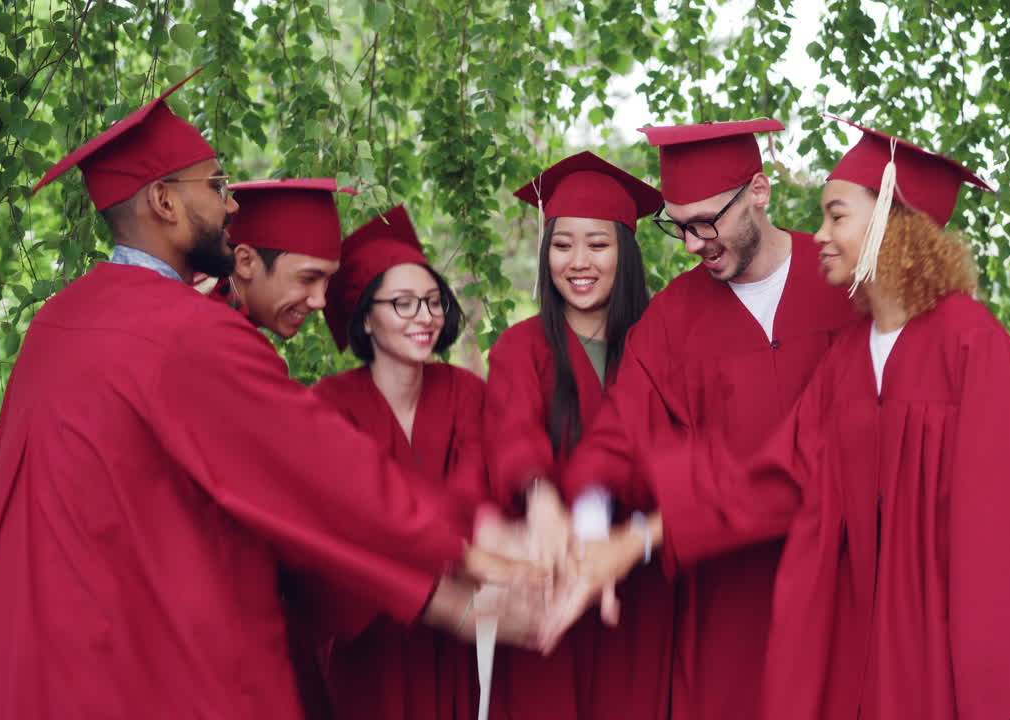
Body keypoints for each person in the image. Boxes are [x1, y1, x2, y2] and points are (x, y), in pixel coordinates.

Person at [0, 68, 532, 720]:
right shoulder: (183, 333)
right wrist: (468, 551)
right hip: (117, 663)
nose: (230, 205)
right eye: (216, 186)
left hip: (27, 662)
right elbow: (324, 470)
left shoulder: (59, 320)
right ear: (163, 202)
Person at [572, 117, 1010, 719]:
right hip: (775, 611)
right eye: (677, 227)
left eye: (837, 216)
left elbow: (1006, 531)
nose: (692, 242)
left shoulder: (950, 335)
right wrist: (627, 535)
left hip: (914, 623)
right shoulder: (844, 356)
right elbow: (781, 473)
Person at [552, 120, 857, 720]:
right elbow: (615, 439)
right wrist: (590, 538)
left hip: (840, 582)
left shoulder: (842, 286)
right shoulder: (671, 321)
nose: (691, 244)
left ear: (759, 192)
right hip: (726, 603)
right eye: (678, 225)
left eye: (705, 222)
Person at [484, 151, 670, 719]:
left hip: (639, 587)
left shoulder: (664, 345)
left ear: (625, 252)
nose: (578, 261)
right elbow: (511, 432)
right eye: (563, 245)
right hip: (549, 577)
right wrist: (540, 496)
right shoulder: (520, 348)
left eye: (598, 243)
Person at [298, 204, 489, 719]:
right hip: (367, 639)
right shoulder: (327, 406)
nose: (424, 317)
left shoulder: (468, 394)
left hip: (454, 641)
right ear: (365, 315)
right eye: (403, 304)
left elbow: (475, 493)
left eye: (432, 302)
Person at [196, 177, 355, 338]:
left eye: (328, 280)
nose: (320, 301)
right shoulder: (210, 339)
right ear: (245, 262)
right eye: (309, 278)